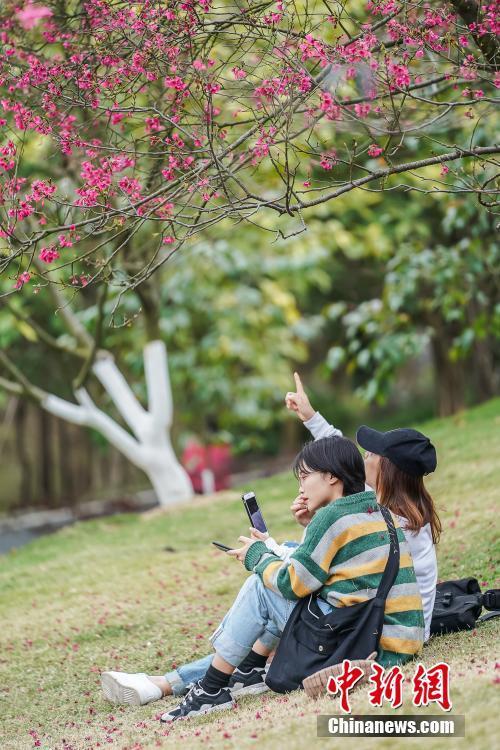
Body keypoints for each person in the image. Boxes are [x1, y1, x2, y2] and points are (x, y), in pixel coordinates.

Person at [101, 374, 440, 716]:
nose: (362, 459)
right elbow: (337, 467)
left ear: (385, 470)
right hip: (384, 628)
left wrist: (260, 556)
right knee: (280, 581)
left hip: (369, 636)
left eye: (369, 454)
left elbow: (297, 582)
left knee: (263, 590)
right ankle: (236, 671)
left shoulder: (373, 514)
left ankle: (200, 685)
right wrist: (310, 420)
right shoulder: (383, 511)